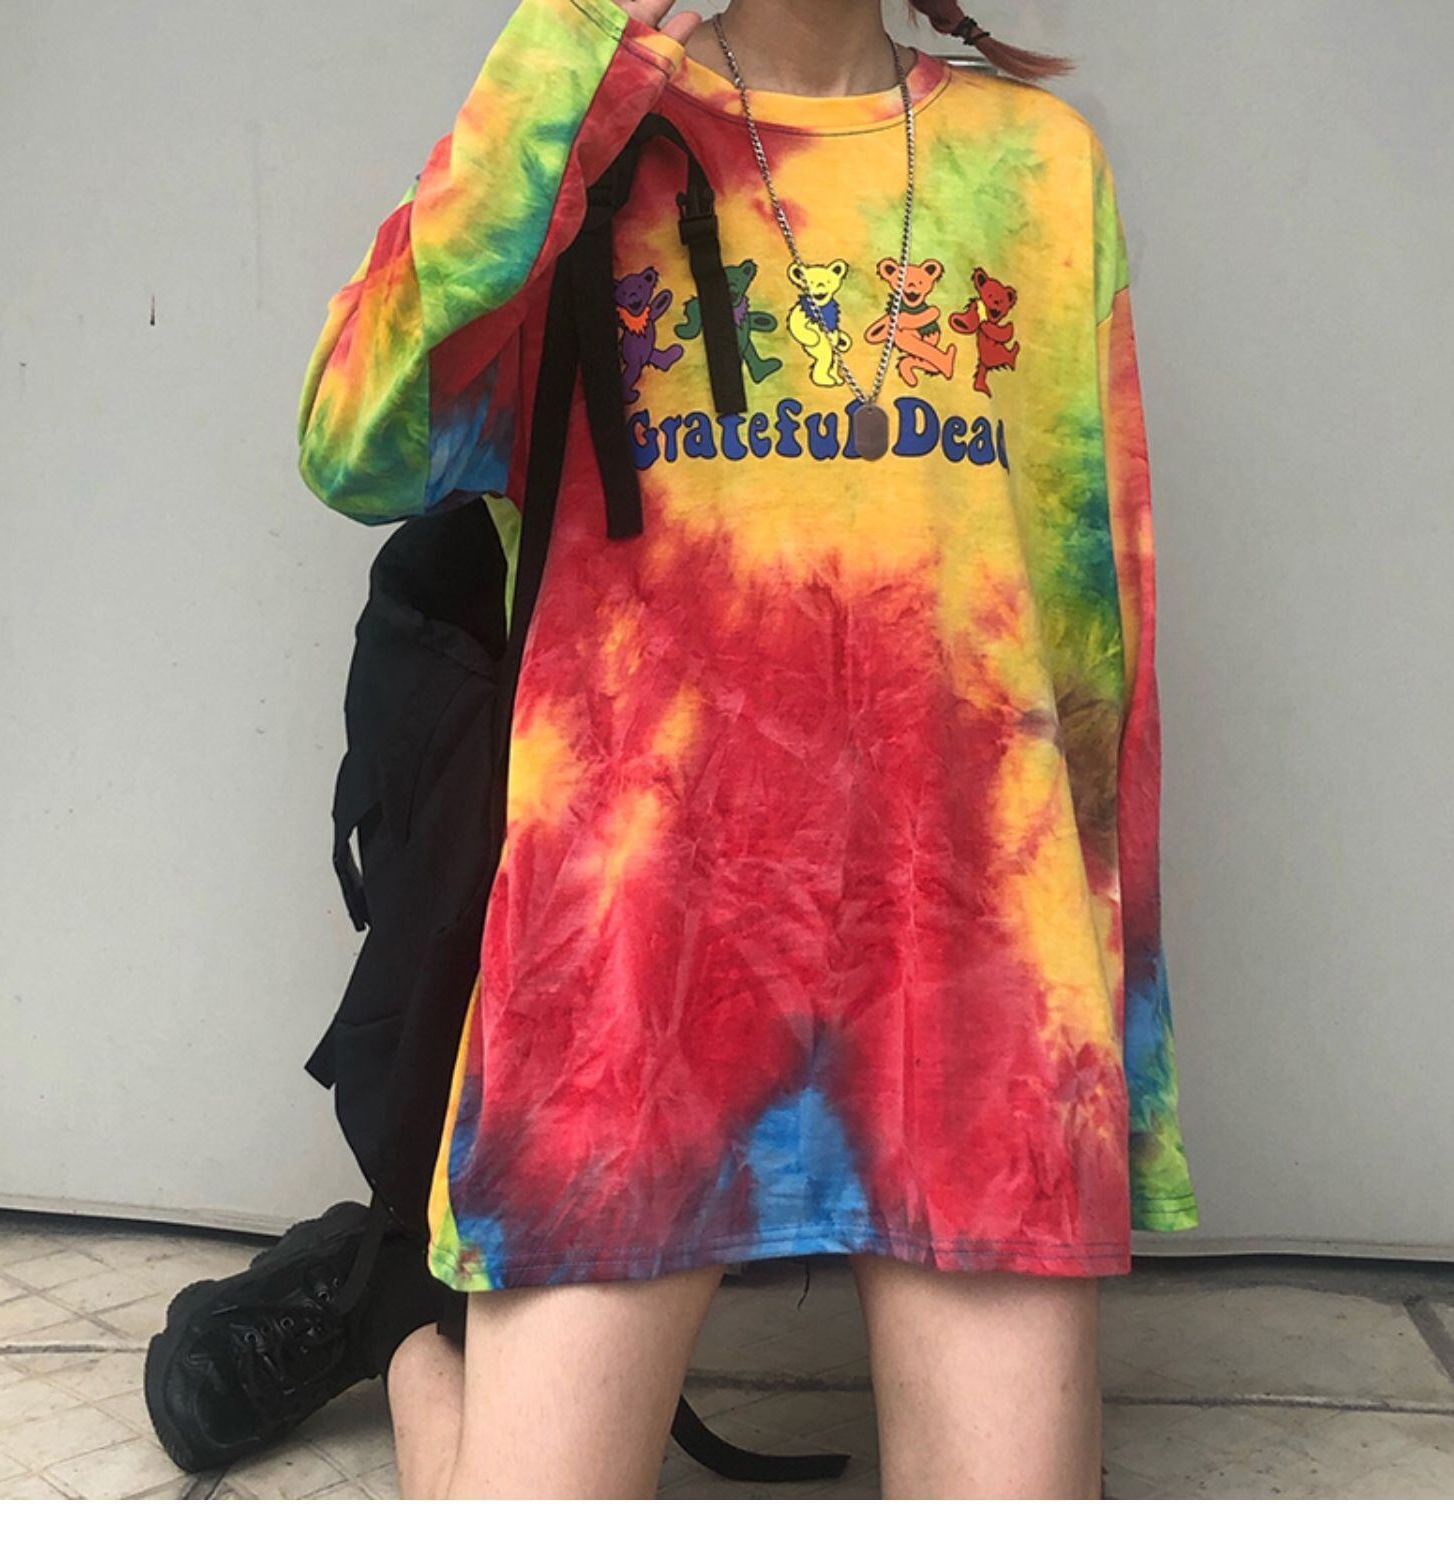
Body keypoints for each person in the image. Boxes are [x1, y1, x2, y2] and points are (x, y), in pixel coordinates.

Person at [292, 0, 1201, 1499]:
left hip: (966, 978)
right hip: (630, 971)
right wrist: (573, 44)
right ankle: (419, 1360)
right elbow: (356, 445)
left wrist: (1106, 1079)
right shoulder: (585, 131)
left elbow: (1087, 655)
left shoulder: (1038, 166)